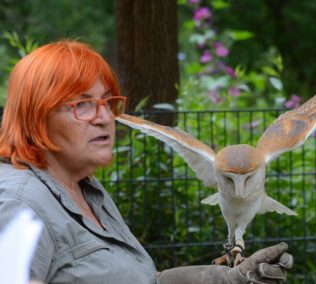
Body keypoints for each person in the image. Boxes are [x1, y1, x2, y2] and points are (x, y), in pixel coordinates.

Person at [0, 40, 293, 284]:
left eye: (106, 102)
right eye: (83, 104)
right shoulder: (20, 203)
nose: (104, 117)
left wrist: (225, 279)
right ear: (36, 117)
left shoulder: (86, 190)